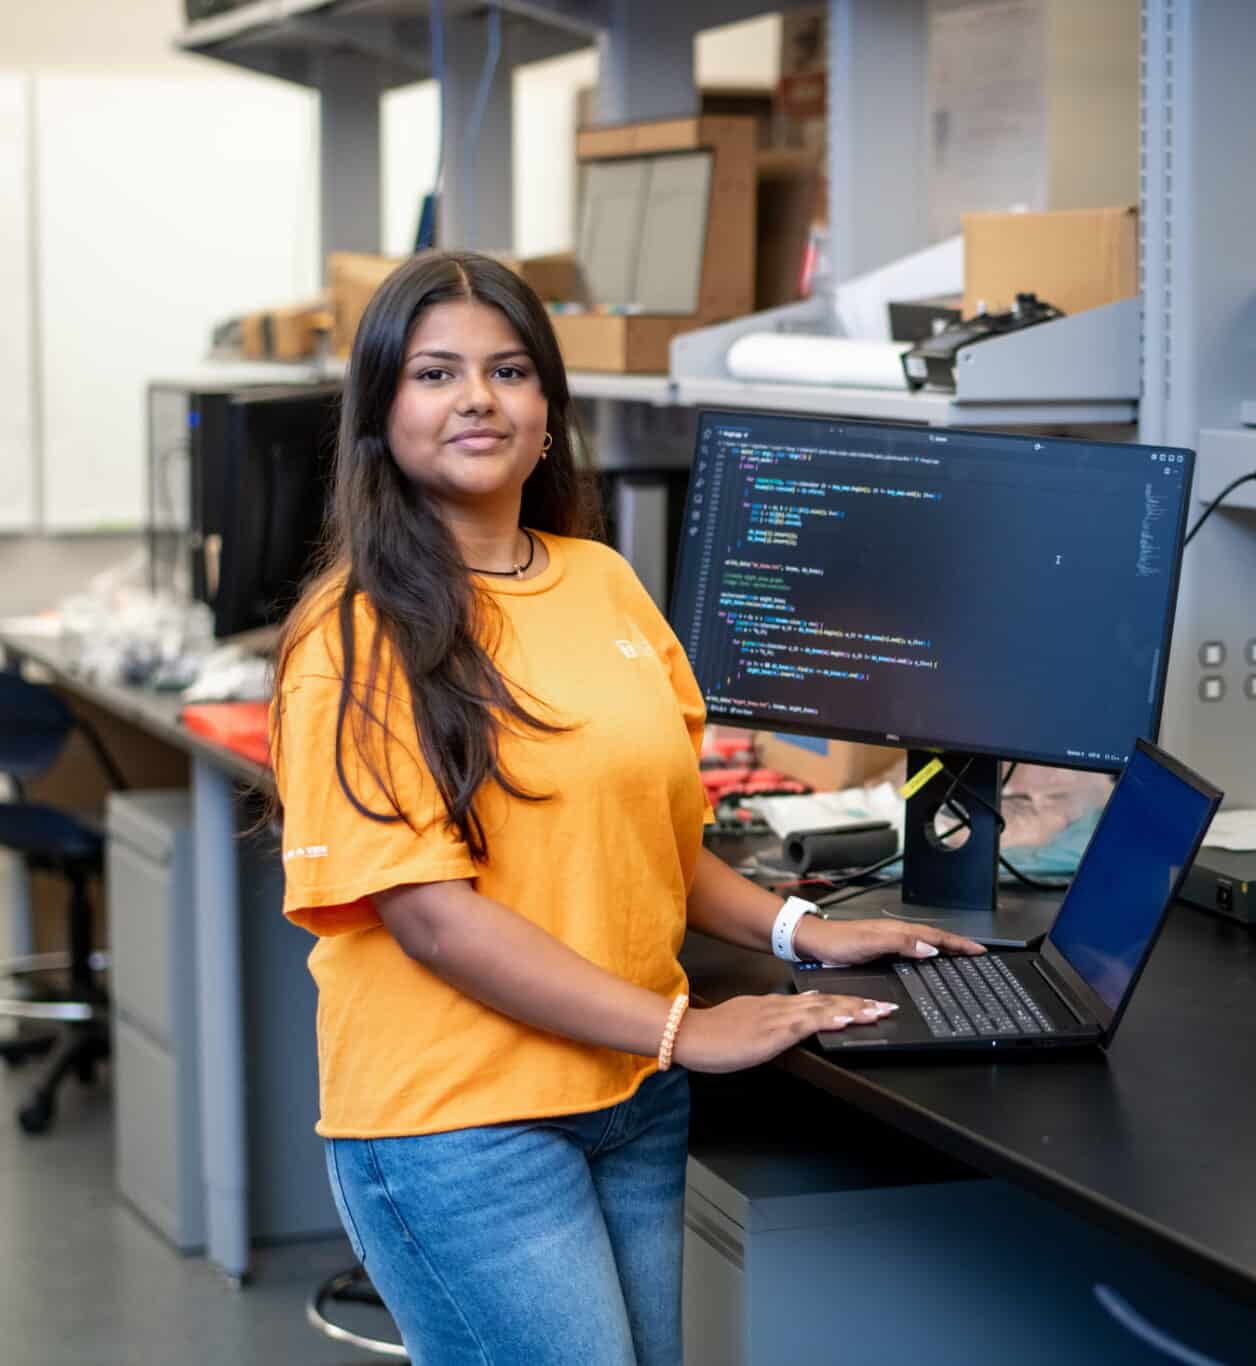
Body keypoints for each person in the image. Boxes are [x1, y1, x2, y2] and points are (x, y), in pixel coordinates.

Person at [268, 250, 982, 1366]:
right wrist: (683, 1030)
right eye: (434, 374)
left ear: (547, 408)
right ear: (380, 414)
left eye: (507, 370)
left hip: (629, 1098)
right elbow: (431, 917)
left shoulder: (598, 579)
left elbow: (651, 838)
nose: (476, 399)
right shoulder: (352, 636)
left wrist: (801, 930)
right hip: (461, 1118)